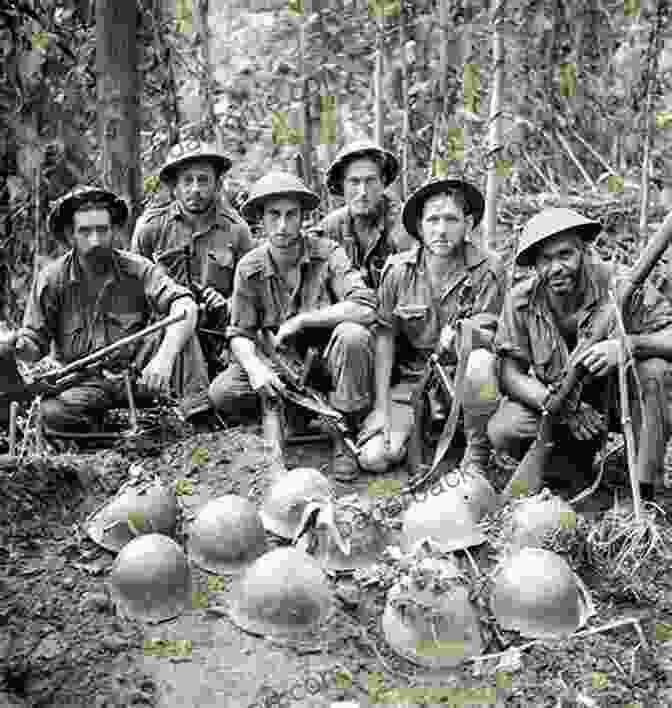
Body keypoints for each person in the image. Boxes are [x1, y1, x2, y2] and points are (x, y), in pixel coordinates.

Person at [488, 207, 672, 500]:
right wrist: (557, 404)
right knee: (505, 428)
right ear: (534, 265)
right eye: (546, 260)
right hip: (563, 409)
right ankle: (573, 470)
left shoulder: (620, 285)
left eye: (565, 255)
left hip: (619, 404)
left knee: (655, 372)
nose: (557, 267)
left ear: (584, 252)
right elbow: (510, 373)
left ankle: (646, 487)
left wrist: (628, 346)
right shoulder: (521, 301)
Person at [208, 172, 378, 482]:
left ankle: (345, 435)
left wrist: (302, 320)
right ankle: (291, 417)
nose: (283, 225)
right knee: (223, 392)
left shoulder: (328, 253)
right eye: (274, 215)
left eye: (291, 215)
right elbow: (240, 333)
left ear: (303, 217)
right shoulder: (250, 268)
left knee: (354, 337)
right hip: (280, 367)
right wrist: (255, 368)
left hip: (327, 365)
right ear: (260, 219)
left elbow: (365, 307)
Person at [3, 186, 209, 435]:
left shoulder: (138, 269)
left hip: (139, 377)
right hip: (85, 384)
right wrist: (17, 345)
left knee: (181, 331)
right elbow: (34, 344)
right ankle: (102, 432)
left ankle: (201, 426)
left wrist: (163, 360)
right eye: (85, 231)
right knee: (49, 414)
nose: (96, 240)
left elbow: (185, 305)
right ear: (70, 235)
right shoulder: (52, 279)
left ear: (113, 231)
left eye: (102, 230)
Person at [358, 177, 506, 476]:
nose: (441, 230)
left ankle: (477, 452)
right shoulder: (398, 271)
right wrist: (381, 406)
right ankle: (421, 431)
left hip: (468, 380)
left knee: (480, 362)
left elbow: (497, 339)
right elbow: (384, 337)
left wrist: (465, 334)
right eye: (433, 220)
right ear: (419, 226)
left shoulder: (489, 269)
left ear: (468, 223)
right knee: (373, 458)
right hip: (414, 382)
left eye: (451, 220)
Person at [131, 140, 254, 377]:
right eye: (187, 181)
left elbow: (252, 295)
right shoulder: (151, 228)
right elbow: (133, 293)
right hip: (165, 338)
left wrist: (226, 303)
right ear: (174, 186)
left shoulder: (236, 230)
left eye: (203, 180)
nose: (195, 189)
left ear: (217, 184)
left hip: (221, 338)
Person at [311, 140, 414, 290]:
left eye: (370, 181)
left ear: (383, 182)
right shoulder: (329, 228)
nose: (362, 192)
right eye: (354, 182)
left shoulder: (405, 223)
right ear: (342, 185)